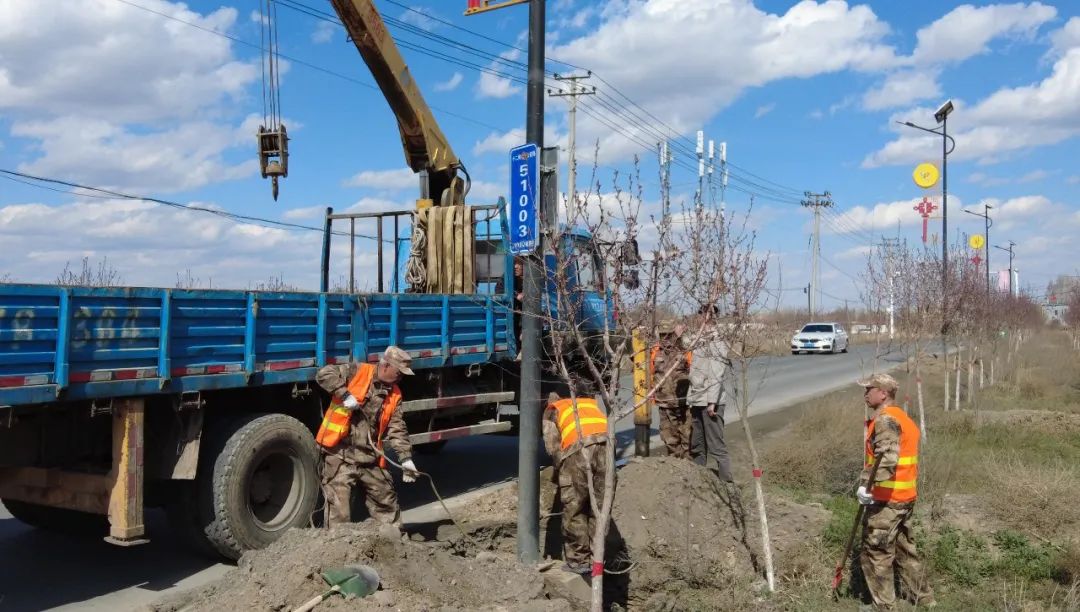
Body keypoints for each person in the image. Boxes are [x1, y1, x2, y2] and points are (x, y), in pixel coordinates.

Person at [314, 346, 419, 528]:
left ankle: (396, 544)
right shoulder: (357, 372)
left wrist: (406, 458)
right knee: (339, 510)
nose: (400, 378)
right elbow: (323, 374)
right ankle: (338, 549)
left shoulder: (395, 394)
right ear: (385, 366)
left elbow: (397, 427)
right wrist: (344, 394)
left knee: (386, 501)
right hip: (340, 454)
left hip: (370, 456)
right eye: (399, 372)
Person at [856, 373, 935, 610]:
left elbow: (887, 459)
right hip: (904, 498)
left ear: (883, 393)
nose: (865, 393)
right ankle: (925, 599)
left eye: (869, 389)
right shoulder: (903, 418)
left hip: (886, 501)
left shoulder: (886, 421)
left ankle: (884, 607)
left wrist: (865, 485)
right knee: (905, 551)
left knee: (876, 553)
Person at [542, 391, 610, 575]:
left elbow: (553, 448)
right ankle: (598, 560)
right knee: (601, 508)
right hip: (607, 447)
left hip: (578, 450)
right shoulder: (589, 403)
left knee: (575, 506)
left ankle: (578, 561)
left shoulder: (553, 409)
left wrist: (560, 473)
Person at [686, 326, 733, 481]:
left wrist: (712, 402)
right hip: (698, 399)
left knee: (716, 446)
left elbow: (716, 375)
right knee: (697, 445)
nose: (703, 321)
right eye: (701, 315)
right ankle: (700, 480)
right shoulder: (700, 340)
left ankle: (727, 484)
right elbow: (686, 344)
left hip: (711, 403)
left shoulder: (717, 343)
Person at [650, 321, 692, 459]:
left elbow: (693, 371)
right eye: (663, 335)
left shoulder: (685, 349)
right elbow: (650, 373)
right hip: (664, 403)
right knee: (669, 438)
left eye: (668, 334)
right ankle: (675, 464)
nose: (666, 338)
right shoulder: (655, 351)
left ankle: (689, 466)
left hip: (684, 403)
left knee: (687, 437)